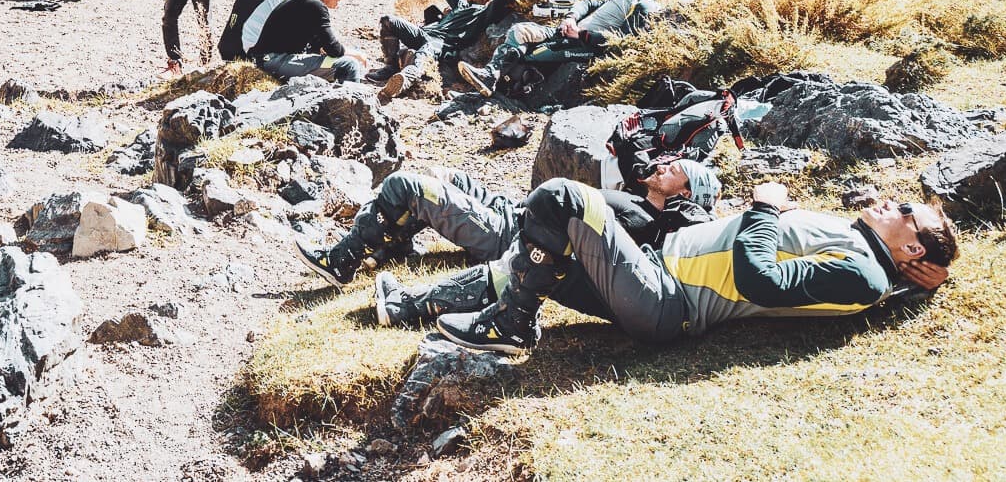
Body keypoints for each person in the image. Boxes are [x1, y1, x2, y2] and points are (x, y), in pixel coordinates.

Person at [434, 178, 957, 357]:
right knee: (537, 251)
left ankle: (512, 324)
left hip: (666, 301)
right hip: (651, 273)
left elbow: (762, 281)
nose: (892, 203)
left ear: (913, 249)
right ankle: (407, 305)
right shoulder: (862, 251)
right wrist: (922, 287)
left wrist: (765, 209)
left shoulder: (864, 273)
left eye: (906, 212)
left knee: (562, 198)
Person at [294, 155, 720, 324]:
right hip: (509, 208)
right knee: (445, 175)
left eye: (675, 170)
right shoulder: (637, 201)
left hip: (511, 232)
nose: (664, 165)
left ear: (685, 194)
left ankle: (342, 261)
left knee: (407, 185)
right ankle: (392, 243)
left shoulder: (649, 224)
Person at [458, 0, 661, 98]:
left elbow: (622, 41)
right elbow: (588, 3)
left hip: (582, 44)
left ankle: (491, 83)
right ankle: (489, 76)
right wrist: (570, 18)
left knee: (532, 53)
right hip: (566, 31)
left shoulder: (644, 6)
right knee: (520, 30)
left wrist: (581, 35)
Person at [373, 0, 512, 101]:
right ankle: (390, 67)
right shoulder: (461, 5)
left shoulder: (484, 13)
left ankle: (407, 77)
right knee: (388, 20)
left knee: (427, 48)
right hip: (424, 34)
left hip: (444, 44)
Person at [251, 0, 360, 83]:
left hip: (270, 58)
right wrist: (357, 55)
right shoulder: (316, 6)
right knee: (350, 64)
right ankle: (354, 94)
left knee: (349, 56)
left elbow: (319, 42)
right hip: (274, 61)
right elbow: (334, 49)